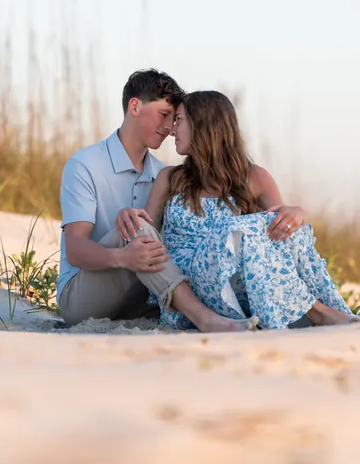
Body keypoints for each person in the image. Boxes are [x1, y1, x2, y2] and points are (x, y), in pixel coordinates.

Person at [116, 90, 357, 330]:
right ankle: (318, 313)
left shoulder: (256, 177)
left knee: (283, 225)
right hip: (188, 289)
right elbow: (147, 229)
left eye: (179, 120)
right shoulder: (170, 178)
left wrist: (296, 213)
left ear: (203, 125)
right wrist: (130, 216)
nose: (172, 130)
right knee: (235, 229)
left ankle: (324, 309)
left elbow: (277, 241)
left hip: (236, 289)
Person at [56, 70, 259, 332]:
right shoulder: (85, 165)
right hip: (83, 296)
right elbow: (75, 250)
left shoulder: (165, 175)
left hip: (143, 298)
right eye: (163, 115)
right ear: (135, 106)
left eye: (175, 119)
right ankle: (203, 318)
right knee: (137, 228)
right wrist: (123, 258)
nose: (169, 127)